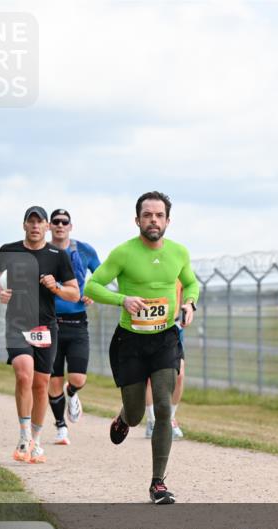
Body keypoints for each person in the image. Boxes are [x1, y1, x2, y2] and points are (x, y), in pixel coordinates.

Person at [84, 191, 199, 504]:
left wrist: (190, 303)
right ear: (137, 220)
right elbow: (91, 285)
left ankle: (158, 482)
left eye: (159, 215)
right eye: (147, 215)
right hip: (130, 340)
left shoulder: (178, 252)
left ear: (168, 221)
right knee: (135, 415)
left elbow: (191, 282)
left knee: (163, 406)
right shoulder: (123, 253)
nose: (153, 220)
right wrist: (123, 299)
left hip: (164, 339)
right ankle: (124, 417)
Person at [0, 206, 79, 463]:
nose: (36, 226)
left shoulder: (58, 255)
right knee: (23, 373)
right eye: (31, 221)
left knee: (41, 385)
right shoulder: (9, 250)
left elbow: (74, 293)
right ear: (24, 225)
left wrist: (56, 287)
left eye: (40, 222)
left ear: (47, 227)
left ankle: (36, 442)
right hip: (17, 324)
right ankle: (24, 436)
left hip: (46, 327)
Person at [46, 208, 101, 446]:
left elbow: (100, 276)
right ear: (49, 226)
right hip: (50, 323)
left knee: (77, 378)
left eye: (64, 222)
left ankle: (73, 394)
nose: (60, 225)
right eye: (56, 222)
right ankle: (60, 427)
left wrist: (91, 293)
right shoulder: (42, 252)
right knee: (53, 380)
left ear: (70, 226)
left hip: (77, 323)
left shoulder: (84, 250)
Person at [146, 279, 186, 440]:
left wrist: (188, 308)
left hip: (173, 326)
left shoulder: (178, 260)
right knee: (148, 377)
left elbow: (186, 289)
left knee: (179, 374)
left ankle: (170, 419)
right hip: (147, 324)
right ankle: (152, 420)